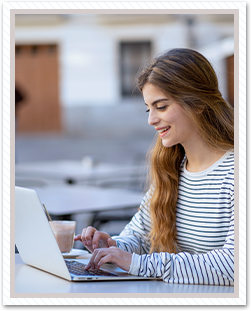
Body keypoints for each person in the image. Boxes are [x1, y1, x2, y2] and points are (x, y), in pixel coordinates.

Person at [74, 48, 234, 285]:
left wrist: (139, 264)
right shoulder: (172, 169)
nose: (151, 120)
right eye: (149, 109)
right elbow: (140, 235)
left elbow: (233, 265)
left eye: (161, 107)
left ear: (198, 103)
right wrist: (113, 247)